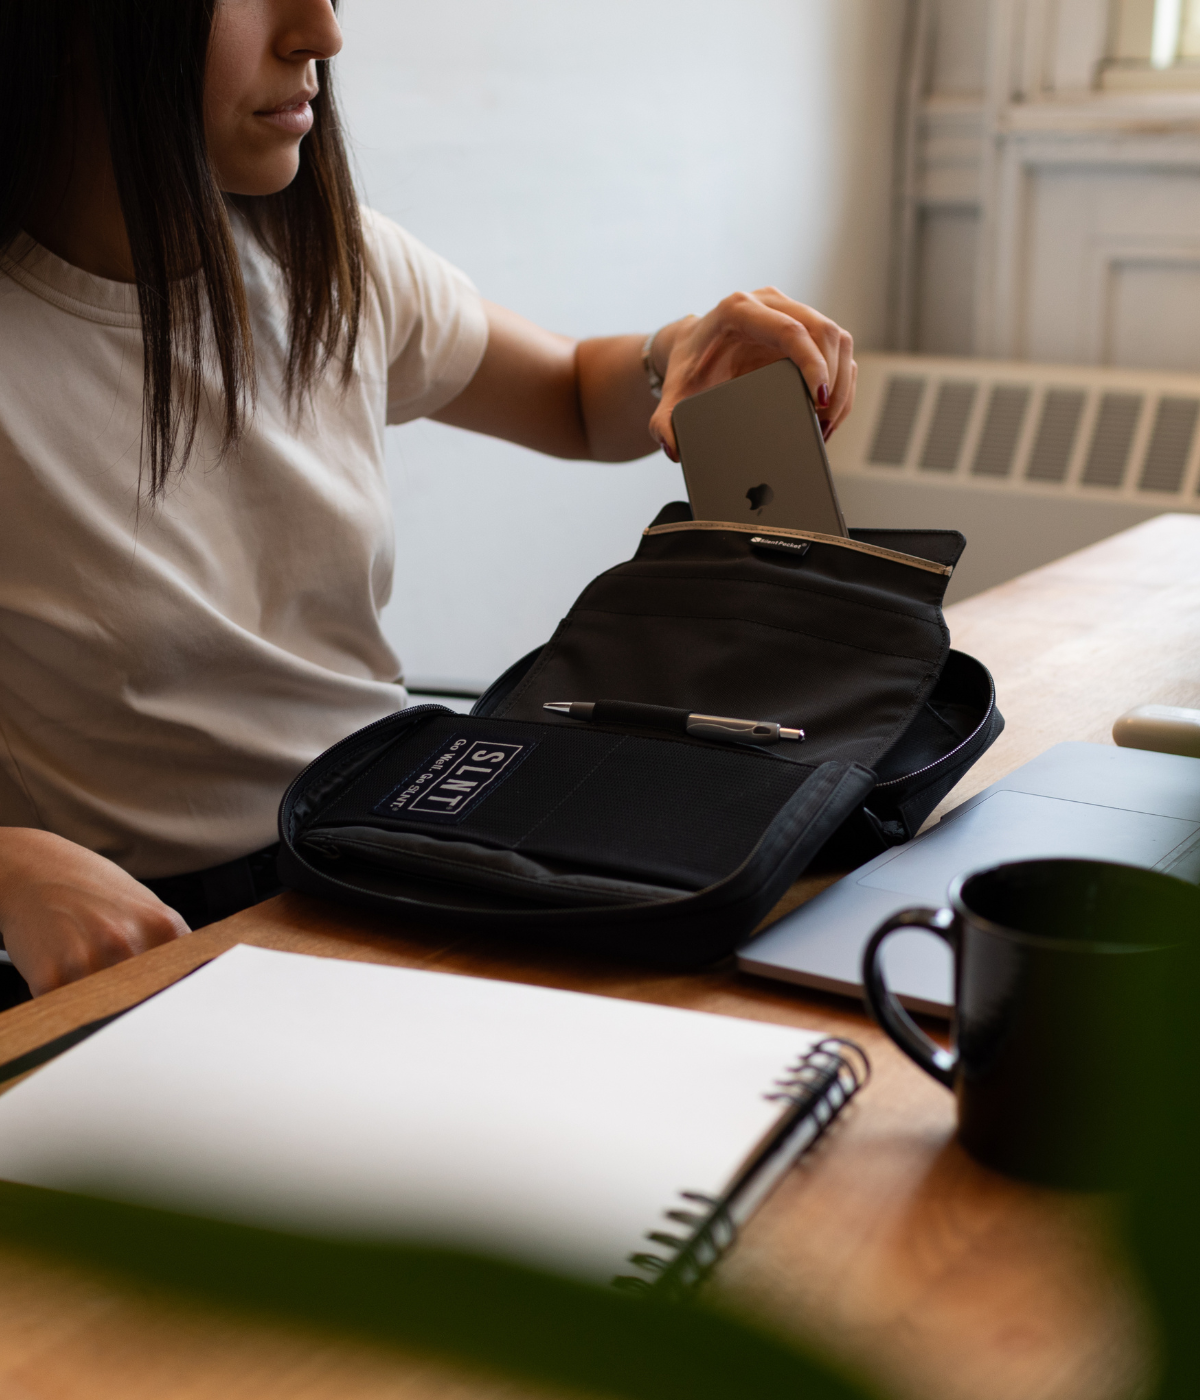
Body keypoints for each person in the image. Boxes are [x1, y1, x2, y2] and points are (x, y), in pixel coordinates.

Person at [0, 0, 857, 1000]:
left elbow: (578, 399)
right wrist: (10, 863)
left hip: (380, 856)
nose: (321, 32)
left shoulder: (331, 262)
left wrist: (683, 350)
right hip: (154, 943)